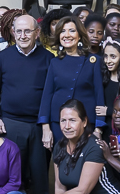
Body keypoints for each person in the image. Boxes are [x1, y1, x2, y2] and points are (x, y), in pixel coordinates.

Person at [0, 14, 54, 194]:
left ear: (37, 33)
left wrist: (46, 126)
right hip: (10, 124)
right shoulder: (2, 57)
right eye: (19, 31)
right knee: (13, 175)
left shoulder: (48, 59)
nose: (23, 35)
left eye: (28, 31)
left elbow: (50, 95)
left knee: (39, 174)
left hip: (38, 125)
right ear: (13, 33)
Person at [38, 16, 105, 148]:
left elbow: (99, 95)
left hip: (86, 123)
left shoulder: (93, 61)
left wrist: (99, 128)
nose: (66, 35)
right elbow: (47, 95)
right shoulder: (55, 62)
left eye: (71, 31)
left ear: (80, 35)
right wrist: (45, 127)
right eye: (63, 31)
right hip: (59, 124)